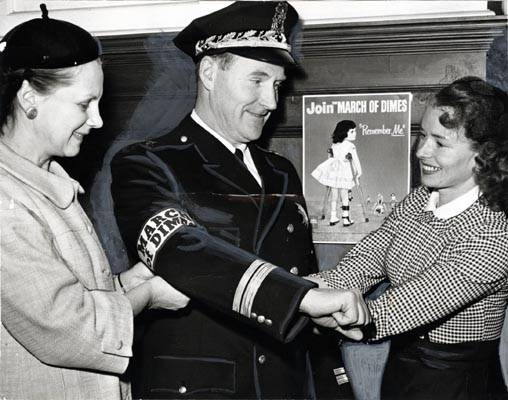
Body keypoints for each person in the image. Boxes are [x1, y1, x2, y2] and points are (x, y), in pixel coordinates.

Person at [110, 2, 368, 398]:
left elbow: (302, 282)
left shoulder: (280, 170)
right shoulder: (147, 163)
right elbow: (181, 248)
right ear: (210, 72)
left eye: (277, 85)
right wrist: (302, 298)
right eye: (257, 80)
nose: (270, 102)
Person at [0, 6, 189, 400]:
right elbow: (71, 326)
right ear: (29, 97)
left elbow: (67, 292)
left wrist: (128, 282)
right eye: (84, 104)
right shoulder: (5, 201)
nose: (98, 120)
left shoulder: (50, 183)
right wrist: (150, 295)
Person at [309, 76, 508, 399]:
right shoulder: (420, 199)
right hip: (403, 370)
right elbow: (368, 258)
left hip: (459, 384)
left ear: (483, 154)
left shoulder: (494, 232)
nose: (420, 151)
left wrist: (344, 314)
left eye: (440, 143)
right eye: (422, 134)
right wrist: (312, 287)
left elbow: (415, 302)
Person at [311, 120, 362, 226]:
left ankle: (333, 217)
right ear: (344, 132)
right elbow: (356, 160)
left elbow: (331, 157)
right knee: (344, 194)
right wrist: (359, 172)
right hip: (345, 172)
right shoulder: (350, 146)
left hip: (334, 171)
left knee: (334, 194)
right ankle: (345, 218)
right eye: (352, 131)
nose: (355, 133)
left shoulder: (334, 144)